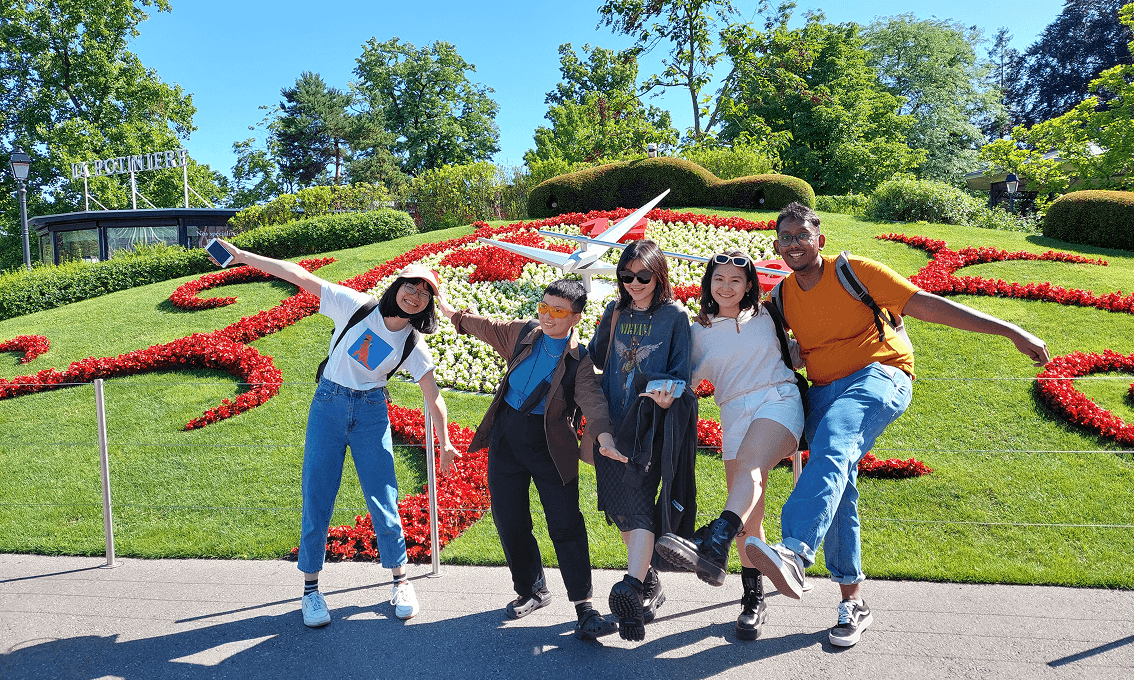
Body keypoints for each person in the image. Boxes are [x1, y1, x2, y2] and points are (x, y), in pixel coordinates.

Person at [743, 203, 1050, 648]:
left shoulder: (856, 271)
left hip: (879, 375)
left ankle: (794, 550)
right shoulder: (782, 298)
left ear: (819, 240)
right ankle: (853, 601)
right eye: (785, 238)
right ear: (776, 246)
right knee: (840, 480)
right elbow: (783, 352)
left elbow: (929, 305)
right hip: (823, 390)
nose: (793, 244)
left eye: (801, 235)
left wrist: (1012, 332)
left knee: (833, 443)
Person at [207, 240, 460, 629]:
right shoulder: (356, 306)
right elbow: (298, 275)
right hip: (329, 404)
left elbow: (434, 396)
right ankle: (310, 591)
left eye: (426, 293)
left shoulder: (411, 341)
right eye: (412, 285)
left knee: (384, 496)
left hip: (372, 412)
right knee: (318, 493)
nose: (416, 295)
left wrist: (443, 443)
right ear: (398, 285)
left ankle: (401, 581)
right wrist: (242, 257)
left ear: (427, 306)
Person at [436, 279, 623, 640]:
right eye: (544, 307)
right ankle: (532, 589)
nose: (548, 316)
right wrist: (450, 314)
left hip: (550, 447)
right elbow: (485, 326)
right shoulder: (524, 334)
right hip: (507, 437)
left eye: (558, 311)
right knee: (509, 518)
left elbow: (593, 400)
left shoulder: (579, 360)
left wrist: (604, 437)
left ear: (576, 317)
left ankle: (584, 607)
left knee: (566, 524)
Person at [654, 250, 804, 641]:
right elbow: (681, 378)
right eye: (719, 279)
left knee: (751, 468)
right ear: (709, 284)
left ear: (750, 285)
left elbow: (802, 350)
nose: (727, 286)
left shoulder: (769, 314)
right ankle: (752, 598)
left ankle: (711, 539)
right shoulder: (697, 332)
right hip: (734, 412)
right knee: (749, 519)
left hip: (778, 400)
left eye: (736, 280)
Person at [588, 239, 692, 642]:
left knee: (637, 503)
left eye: (643, 276)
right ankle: (649, 585)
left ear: (658, 273)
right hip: (613, 424)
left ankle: (632, 585)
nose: (634, 283)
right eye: (626, 276)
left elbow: (681, 373)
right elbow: (598, 358)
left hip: (649, 426)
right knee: (620, 509)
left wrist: (668, 392)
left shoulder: (674, 316)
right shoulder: (615, 311)